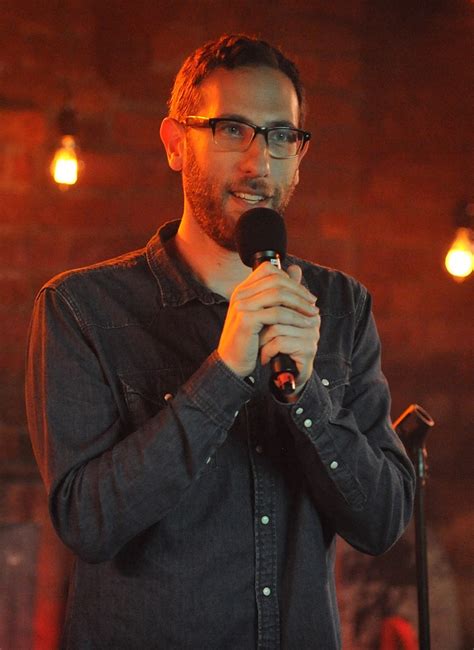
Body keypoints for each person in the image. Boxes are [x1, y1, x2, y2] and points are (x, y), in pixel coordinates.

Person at [26, 34, 415, 649]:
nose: (259, 163)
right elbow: (87, 523)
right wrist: (225, 373)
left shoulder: (342, 307)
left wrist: (307, 395)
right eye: (232, 130)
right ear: (175, 144)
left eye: (281, 136)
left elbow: (382, 522)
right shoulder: (82, 309)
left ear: (299, 155)